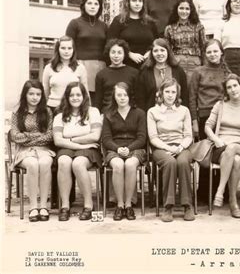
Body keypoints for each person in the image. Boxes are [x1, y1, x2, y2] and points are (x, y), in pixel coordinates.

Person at [205, 74, 240, 218]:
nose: (233, 89)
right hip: (220, 146)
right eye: (229, 87)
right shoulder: (220, 105)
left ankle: (220, 191)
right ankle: (233, 202)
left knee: (233, 149)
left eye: (235, 86)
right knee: (236, 160)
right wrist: (215, 139)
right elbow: (208, 126)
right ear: (226, 91)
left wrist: (234, 143)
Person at [188, 39, 231, 202]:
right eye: (209, 52)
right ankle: (203, 191)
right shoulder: (198, 72)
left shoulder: (227, 72)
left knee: (220, 151)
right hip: (204, 116)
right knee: (205, 153)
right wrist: (194, 120)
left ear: (221, 53)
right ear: (205, 54)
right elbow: (192, 97)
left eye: (215, 51)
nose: (213, 55)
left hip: (222, 117)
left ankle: (222, 190)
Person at [53, 82, 102, 221]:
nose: (75, 98)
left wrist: (70, 139)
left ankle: (88, 205)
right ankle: (65, 206)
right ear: (67, 97)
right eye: (72, 95)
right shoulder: (59, 116)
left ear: (84, 96)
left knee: (78, 164)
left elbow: (95, 136)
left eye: (78, 94)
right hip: (72, 148)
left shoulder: (93, 112)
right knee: (63, 161)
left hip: (89, 150)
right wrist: (80, 144)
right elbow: (57, 140)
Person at [147, 78, 195, 222]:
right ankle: (168, 206)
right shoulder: (152, 111)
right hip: (161, 147)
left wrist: (179, 147)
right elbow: (153, 137)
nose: (170, 95)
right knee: (169, 163)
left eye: (173, 92)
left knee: (182, 162)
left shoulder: (184, 110)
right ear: (160, 93)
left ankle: (187, 205)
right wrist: (169, 148)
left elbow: (188, 136)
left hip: (182, 146)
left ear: (177, 94)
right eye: (167, 91)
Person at [10, 80, 55, 222]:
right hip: (24, 151)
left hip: (44, 150)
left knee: (45, 163)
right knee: (33, 164)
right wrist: (36, 136)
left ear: (42, 96)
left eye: (38, 94)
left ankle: (43, 206)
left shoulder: (46, 111)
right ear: (25, 94)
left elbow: (49, 136)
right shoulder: (18, 112)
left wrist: (27, 136)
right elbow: (15, 136)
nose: (35, 97)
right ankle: (33, 207)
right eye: (31, 94)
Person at [102, 82, 146, 221]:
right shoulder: (108, 114)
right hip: (115, 148)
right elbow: (106, 138)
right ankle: (119, 205)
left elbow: (142, 138)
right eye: (119, 95)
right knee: (118, 165)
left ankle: (129, 205)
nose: (122, 98)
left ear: (129, 96)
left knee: (130, 164)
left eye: (125, 95)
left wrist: (129, 149)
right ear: (114, 97)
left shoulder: (139, 113)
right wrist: (117, 149)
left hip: (135, 148)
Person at [66, 0, 107, 104]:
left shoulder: (104, 26)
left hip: (100, 67)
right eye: (89, 3)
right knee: (80, 97)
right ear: (83, 5)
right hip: (80, 65)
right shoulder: (75, 23)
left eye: (96, 4)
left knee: (97, 99)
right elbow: (68, 47)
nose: (93, 7)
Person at [108, 0, 158, 70]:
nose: (137, 4)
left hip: (147, 66)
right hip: (125, 66)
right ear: (128, 3)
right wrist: (129, 54)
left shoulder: (150, 22)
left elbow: (156, 42)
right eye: (134, 0)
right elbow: (111, 42)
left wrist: (150, 52)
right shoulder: (119, 21)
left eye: (140, 1)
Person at [136, 38, 188, 111]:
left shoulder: (178, 70)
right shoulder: (145, 72)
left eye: (162, 50)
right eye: (155, 51)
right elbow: (140, 99)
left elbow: (185, 95)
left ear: (168, 52)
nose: (159, 53)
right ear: (152, 53)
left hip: (176, 114)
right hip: (153, 115)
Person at [164, 0, 206, 81]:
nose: (184, 11)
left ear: (191, 11)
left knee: (193, 89)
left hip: (195, 63)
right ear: (177, 9)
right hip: (177, 62)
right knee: (178, 88)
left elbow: (203, 47)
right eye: (181, 8)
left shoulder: (199, 27)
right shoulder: (169, 28)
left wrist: (205, 66)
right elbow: (167, 49)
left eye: (187, 9)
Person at [42, 36, 88, 110]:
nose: (66, 51)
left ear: (73, 50)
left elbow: (85, 92)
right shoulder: (49, 67)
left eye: (69, 48)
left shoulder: (80, 67)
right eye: (63, 48)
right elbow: (45, 92)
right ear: (58, 49)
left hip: (74, 109)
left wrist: (88, 110)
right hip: (53, 108)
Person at [95, 39, 138, 112]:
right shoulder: (101, 74)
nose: (116, 56)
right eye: (113, 52)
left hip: (128, 113)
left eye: (119, 53)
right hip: (108, 113)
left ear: (124, 54)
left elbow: (138, 99)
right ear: (108, 53)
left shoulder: (134, 73)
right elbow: (98, 101)